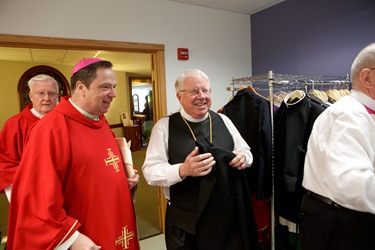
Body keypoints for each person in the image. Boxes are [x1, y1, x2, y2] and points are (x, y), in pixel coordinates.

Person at [7, 58, 140, 249]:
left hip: (116, 221)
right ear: (81, 87)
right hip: (86, 232)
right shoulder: (51, 128)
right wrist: (70, 238)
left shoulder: (100, 122)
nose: (114, 94)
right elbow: (36, 197)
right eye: (105, 87)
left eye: (114, 86)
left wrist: (127, 178)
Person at [142, 69, 259, 249]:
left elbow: (246, 151)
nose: (202, 96)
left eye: (206, 91)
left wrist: (244, 158)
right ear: (179, 97)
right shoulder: (164, 126)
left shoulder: (223, 120)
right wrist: (182, 170)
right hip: (186, 220)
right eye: (194, 91)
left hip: (225, 215)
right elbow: (150, 172)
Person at [300, 43, 375, 250]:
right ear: (367, 78)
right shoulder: (350, 115)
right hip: (339, 223)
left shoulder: (362, 113)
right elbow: (352, 183)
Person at [0, 74, 59, 201]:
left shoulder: (67, 121)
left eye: (52, 93)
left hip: (66, 187)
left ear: (57, 96)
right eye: (41, 93)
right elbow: (5, 163)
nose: (47, 98)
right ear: (31, 96)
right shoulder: (14, 124)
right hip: (31, 190)